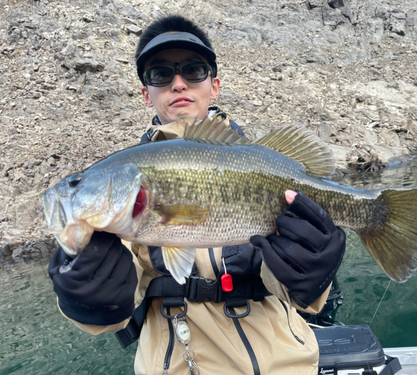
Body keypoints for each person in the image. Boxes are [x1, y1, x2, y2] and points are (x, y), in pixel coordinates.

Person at [48, 14, 346, 375]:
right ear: (147, 94)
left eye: (193, 70)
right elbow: (111, 313)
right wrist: (84, 296)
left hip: (288, 365)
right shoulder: (125, 199)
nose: (178, 84)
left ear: (214, 85)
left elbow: (300, 292)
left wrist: (315, 277)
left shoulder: (261, 159)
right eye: (160, 75)